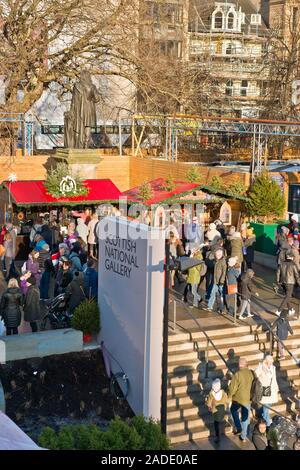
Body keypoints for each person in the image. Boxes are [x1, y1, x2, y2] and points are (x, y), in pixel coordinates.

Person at [228, 357, 254, 443]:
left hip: (238, 399)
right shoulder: (251, 373)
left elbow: (233, 388)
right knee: (245, 416)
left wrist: (229, 395)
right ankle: (243, 436)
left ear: (239, 365)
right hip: (248, 399)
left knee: (233, 410)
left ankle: (239, 427)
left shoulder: (237, 374)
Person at [255, 355, 279, 427]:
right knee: (266, 409)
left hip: (271, 390)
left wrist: (276, 388)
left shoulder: (273, 368)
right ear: (266, 361)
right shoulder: (261, 367)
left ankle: (260, 415)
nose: (271, 363)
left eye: (271, 362)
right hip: (264, 390)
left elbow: (274, 379)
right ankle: (268, 426)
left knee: (267, 406)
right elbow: (255, 375)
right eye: (269, 362)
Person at [276, 251, 300, 317]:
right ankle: (279, 310)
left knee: (287, 295)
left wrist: (277, 281)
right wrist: (299, 283)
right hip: (290, 282)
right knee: (288, 296)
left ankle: (290, 309)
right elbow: (297, 275)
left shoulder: (282, 263)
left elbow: (278, 273)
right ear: (291, 257)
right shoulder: (293, 264)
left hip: (283, 282)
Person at [206, 378, 229, 444]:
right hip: (222, 409)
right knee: (220, 420)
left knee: (216, 423)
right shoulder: (223, 392)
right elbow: (227, 400)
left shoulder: (211, 393)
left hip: (215, 411)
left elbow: (209, 403)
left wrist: (209, 406)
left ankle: (218, 436)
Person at [205, 249, 227, 313]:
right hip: (216, 281)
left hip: (220, 282)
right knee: (212, 293)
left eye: (217, 255)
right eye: (216, 255)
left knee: (222, 295)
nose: (216, 256)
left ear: (220, 255)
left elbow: (224, 272)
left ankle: (223, 308)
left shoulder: (223, 261)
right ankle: (210, 306)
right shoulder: (217, 261)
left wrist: (222, 281)